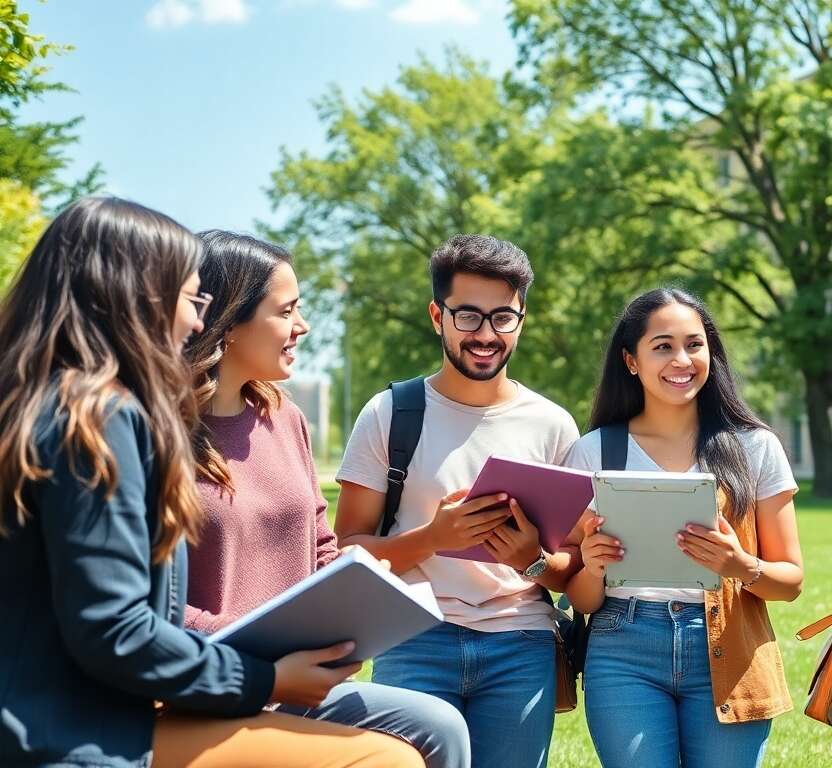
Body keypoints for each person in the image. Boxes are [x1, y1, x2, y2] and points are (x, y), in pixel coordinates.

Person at [0, 197, 424, 767]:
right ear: (131, 296)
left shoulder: (46, 407)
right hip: (83, 732)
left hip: (74, 714)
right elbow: (117, 630)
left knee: (426, 730)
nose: (197, 321)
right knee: (384, 760)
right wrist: (266, 679)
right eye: (187, 298)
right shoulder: (101, 418)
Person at [182, 230, 470, 767]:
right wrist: (266, 657)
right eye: (285, 310)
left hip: (299, 679)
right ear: (229, 321)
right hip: (213, 680)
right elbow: (154, 609)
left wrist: (362, 607)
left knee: (439, 726)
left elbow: (319, 550)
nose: (302, 326)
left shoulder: (284, 417)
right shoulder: (157, 435)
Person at [334, 234, 582, 768]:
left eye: (503, 318)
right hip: (414, 638)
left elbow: (575, 572)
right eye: (467, 316)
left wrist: (531, 559)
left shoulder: (554, 425)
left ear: (522, 318)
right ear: (436, 315)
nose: (486, 335)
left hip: (522, 646)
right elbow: (346, 552)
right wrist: (434, 539)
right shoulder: (389, 413)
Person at [564, 287, 804, 768]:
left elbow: (791, 583)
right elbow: (581, 599)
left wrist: (738, 564)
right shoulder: (594, 452)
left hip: (728, 646)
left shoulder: (754, 446)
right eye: (663, 346)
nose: (682, 359)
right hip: (623, 647)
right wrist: (591, 568)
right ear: (632, 361)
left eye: (695, 344)